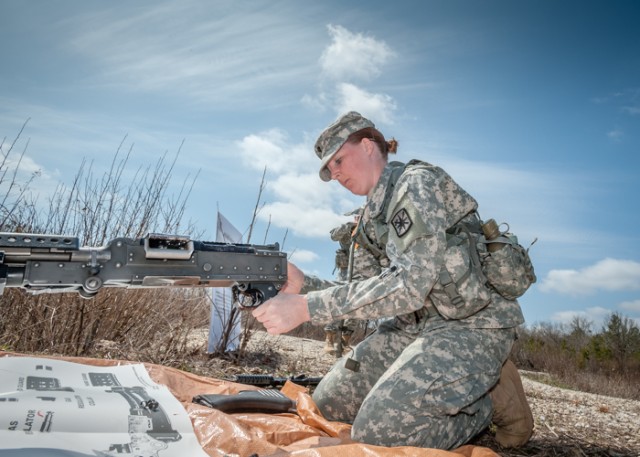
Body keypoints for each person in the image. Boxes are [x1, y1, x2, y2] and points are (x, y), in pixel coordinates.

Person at [252, 111, 533, 450]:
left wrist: (306, 307)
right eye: (330, 169)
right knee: (328, 405)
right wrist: (304, 285)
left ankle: (485, 404)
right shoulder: (370, 219)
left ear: (368, 146)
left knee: (379, 435)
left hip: (472, 325)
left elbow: (411, 286)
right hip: (414, 328)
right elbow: (360, 298)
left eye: (339, 160)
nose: (335, 173)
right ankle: (474, 380)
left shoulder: (416, 185)